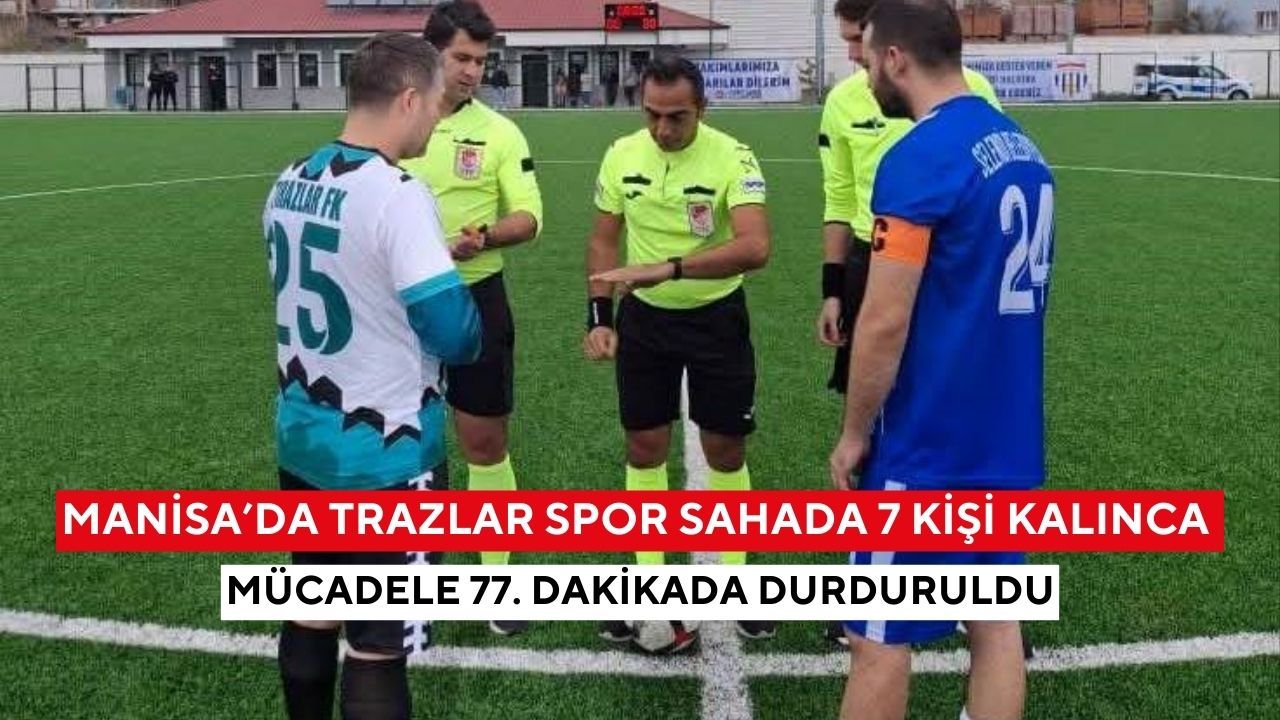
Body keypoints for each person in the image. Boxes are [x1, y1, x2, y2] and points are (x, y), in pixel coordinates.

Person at [825, 1, 1055, 718]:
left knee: (876, 639)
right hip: (1008, 435)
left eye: (867, 58)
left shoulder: (919, 155)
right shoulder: (1023, 148)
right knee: (995, 622)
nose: (864, 74)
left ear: (896, 58)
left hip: (929, 445)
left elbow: (885, 319)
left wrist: (854, 433)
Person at [264, 32, 480, 720]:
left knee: (313, 608)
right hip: (386, 449)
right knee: (378, 645)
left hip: (304, 438)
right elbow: (454, 332)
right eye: (436, 105)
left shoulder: (288, 179)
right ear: (409, 100)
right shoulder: (397, 193)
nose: (438, 120)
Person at [815, 0, 1002, 648]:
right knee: (873, 418)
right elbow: (839, 194)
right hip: (874, 259)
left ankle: (959, 588)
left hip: (944, 263)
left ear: (889, 46)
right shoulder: (843, 100)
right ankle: (870, 580)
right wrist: (833, 289)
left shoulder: (968, 93)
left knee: (939, 412)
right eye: (846, 42)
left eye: (858, 43)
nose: (852, 58)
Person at [583, 54, 775, 643]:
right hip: (645, 323)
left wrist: (670, 267)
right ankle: (649, 591)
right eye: (652, 115)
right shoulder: (621, 154)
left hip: (717, 318)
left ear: (702, 109)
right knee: (644, 449)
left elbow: (755, 247)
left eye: (677, 117)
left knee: (724, 450)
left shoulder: (733, 156)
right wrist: (600, 315)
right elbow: (603, 239)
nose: (662, 129)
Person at [401, 0, 544, 637]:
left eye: (480, 61)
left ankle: (498, 585)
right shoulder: (398, 119)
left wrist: (485, 236)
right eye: (461, 57)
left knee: (484, 444)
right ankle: (408, 581)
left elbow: (530, 217)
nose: (471, 71)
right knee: (400, 442)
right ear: (430, 51)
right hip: (400, 305)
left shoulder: (500, 132)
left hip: (476, 301)